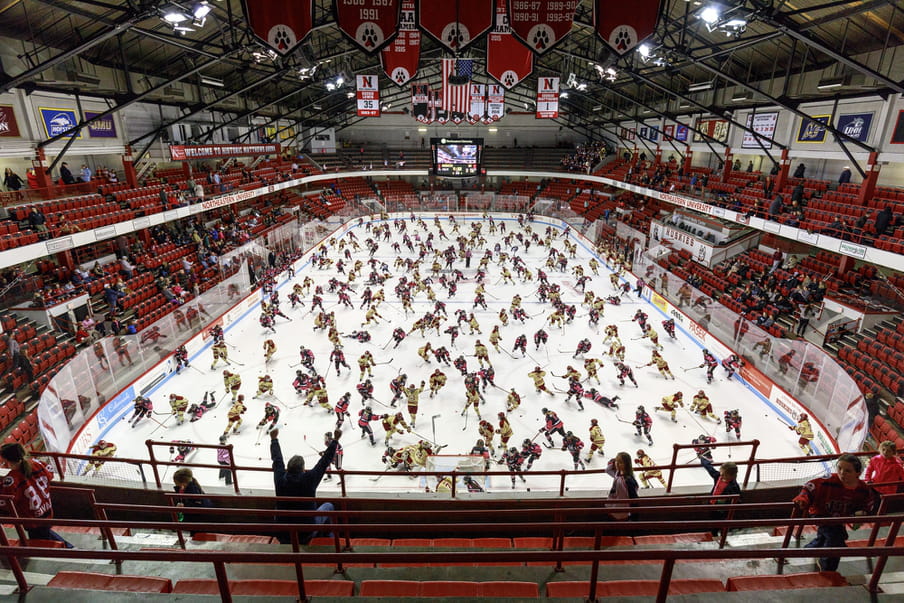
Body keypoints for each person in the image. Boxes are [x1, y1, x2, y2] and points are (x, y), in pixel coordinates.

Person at [792, 453, 878, 572]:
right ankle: (827, 568)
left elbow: (868, 504)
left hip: (840, 518)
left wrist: (862, 513)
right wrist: (803, 499)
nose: (842, 473)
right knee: (837, 539)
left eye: (848, 471)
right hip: (821, 514)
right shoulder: (828, 481)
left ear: (858, 473)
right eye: (840, 468)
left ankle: (809, 550)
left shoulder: (863, 489)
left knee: (825, 536)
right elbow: (809, 487)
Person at [270, 427, 341, 544]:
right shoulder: (309, 479)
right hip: (306, 532)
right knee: (328, 506)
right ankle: (329, 539)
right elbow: (324, 462)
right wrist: (336, 440)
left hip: (282, 533)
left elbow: (277, 461)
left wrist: (274, 440)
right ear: (303, 469)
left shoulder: (280, 479)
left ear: (287, 469)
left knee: (278, 509)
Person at [0, 443, 73, 547]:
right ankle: (69, 547)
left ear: (7, 460)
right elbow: (50, 473)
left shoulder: (12, 479)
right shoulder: (36, 463)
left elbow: (5, 501)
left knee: (42, 541)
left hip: (32, 519)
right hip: (46, 509)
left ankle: (69, 549)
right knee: (45, 534)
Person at [172, 468, 212, 536]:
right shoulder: (186, 488)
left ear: (183, 483)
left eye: (177, 484)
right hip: (195, 518)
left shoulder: (193, 490)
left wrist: (184, 506)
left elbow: (198, 506)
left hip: (199, 520)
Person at [606, 451, 639, 520]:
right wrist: (613, 463)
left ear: (626, 464)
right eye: (616, 461)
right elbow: (607, 470)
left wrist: (634, 516)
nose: (617, 464)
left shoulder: (627, 480)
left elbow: (634, 498)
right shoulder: (618, 473)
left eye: (620, 462)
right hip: (614, 508)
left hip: (622, 512)